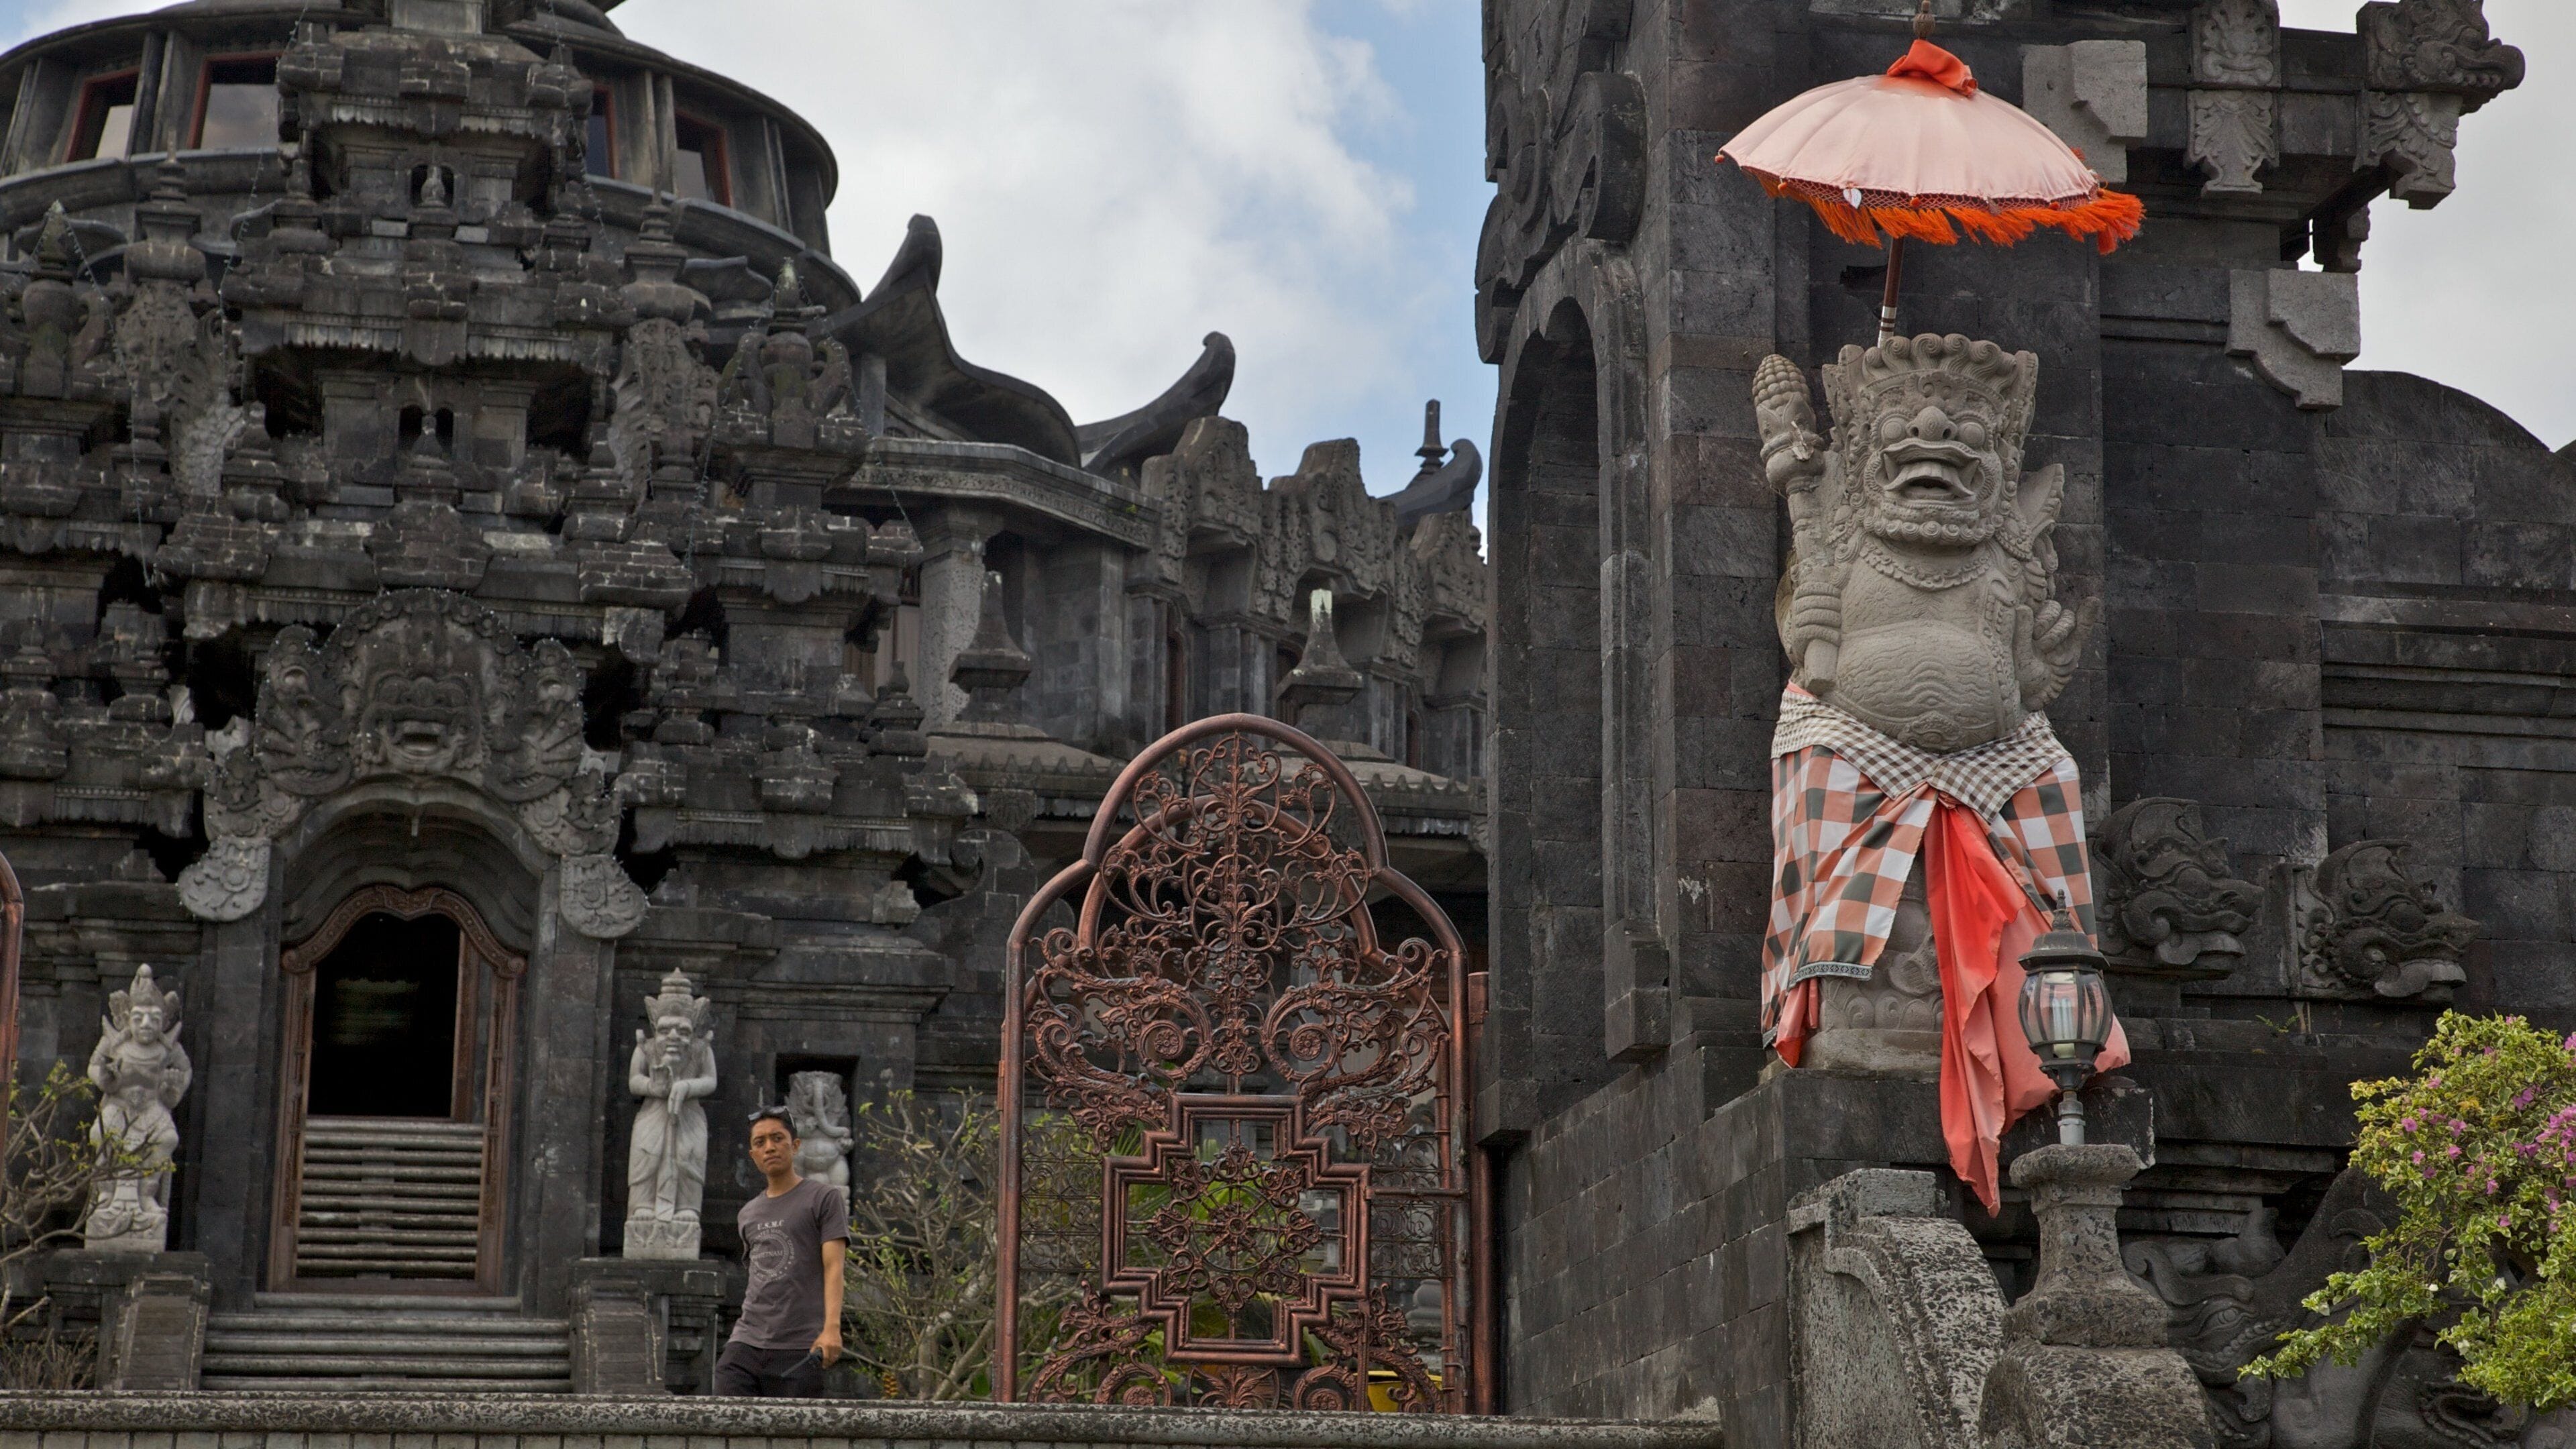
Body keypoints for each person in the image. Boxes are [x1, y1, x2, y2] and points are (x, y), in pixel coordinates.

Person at [714, 1107, 847, 1397]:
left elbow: (834, 1267)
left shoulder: (823, 1198)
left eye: (777, 1138)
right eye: (760, 1143)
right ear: (753, 1155)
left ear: (795, 1145)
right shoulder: (748, 1213)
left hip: (800, 1345)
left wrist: (832, 1329)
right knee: (724, 1422)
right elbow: (758, 1277)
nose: (769, 1147)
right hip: (747, 1340)